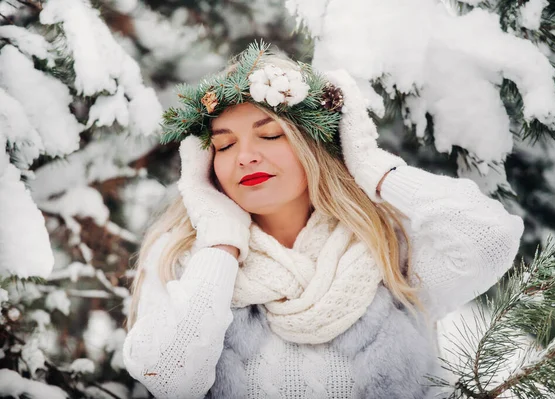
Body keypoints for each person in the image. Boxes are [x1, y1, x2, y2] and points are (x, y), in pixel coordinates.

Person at [122, 42, 524, 398]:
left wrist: (371, 166)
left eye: (271, 135)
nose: (244, 155)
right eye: (225, 144)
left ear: (312, 145)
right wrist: (221, 241)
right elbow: (168, 378)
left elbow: (490, 238)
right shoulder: (184, 258)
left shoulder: (386, 248)